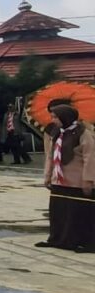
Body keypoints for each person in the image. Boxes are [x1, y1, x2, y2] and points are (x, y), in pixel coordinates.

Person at [36, 105, 95, 253]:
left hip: (77, 181)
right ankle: (57, 239)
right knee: (59, 212)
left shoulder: (83, 132)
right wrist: (48, 176)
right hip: (59, 180)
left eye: (55, 117)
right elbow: (50, 155)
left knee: (77, 213)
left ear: (65, 117)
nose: (53, 120)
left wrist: (89, 179)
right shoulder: (57, 133)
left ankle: (81, 242)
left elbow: (90, 157)